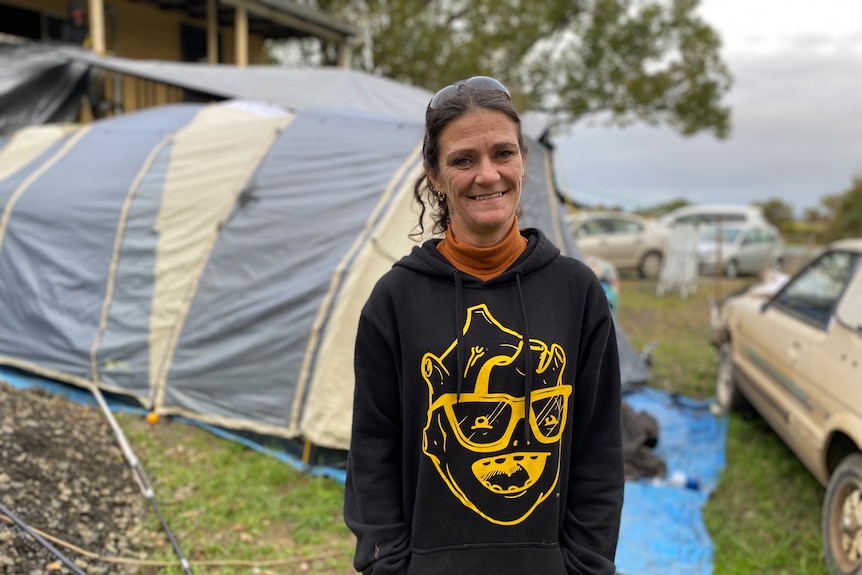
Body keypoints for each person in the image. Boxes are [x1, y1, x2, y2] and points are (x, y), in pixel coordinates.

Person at [344, 76, 624, 575]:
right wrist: (392, 566)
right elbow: (372, 454)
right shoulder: (396, 299)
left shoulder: (577, 292)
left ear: (524, 163)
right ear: (434, 174)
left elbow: (598, 448)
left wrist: (583, 566)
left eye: (503, 153)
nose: (488, 175)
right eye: (463, 160)